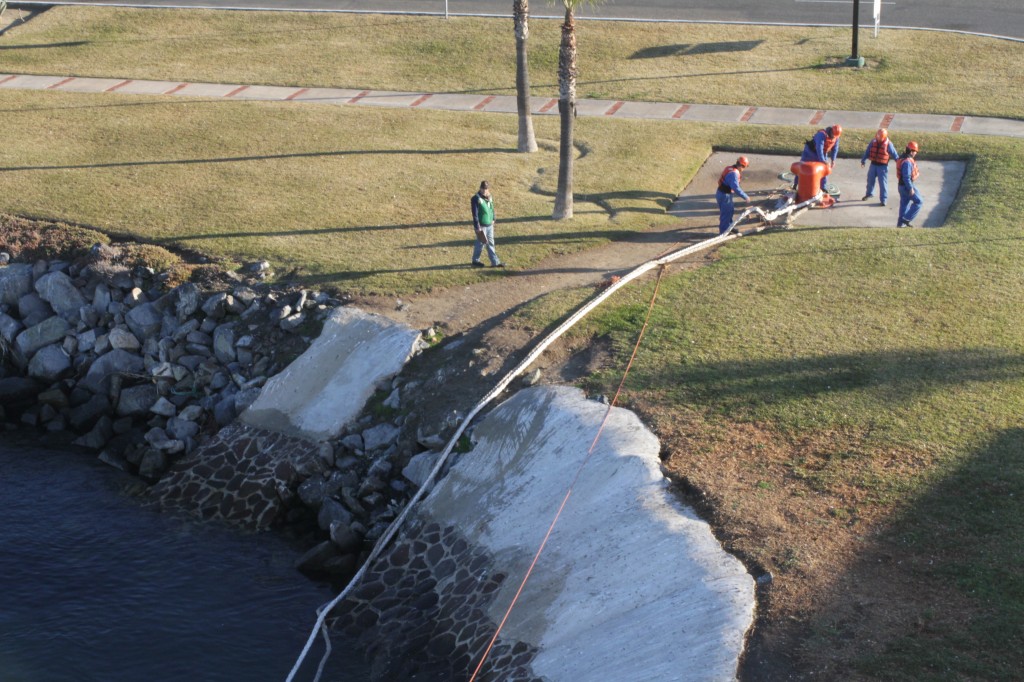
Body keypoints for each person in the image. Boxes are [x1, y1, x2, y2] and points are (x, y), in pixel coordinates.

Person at [860, 128, 900, 206]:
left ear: (884, 137)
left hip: (883, 167)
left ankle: (883, 200)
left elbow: (895, 155)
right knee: (870, 180)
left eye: (880, 137)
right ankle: (869, 194)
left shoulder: (889, 144)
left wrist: (899, 164)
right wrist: (863, 160)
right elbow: (868, 151)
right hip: (873, 165)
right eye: (877, 137)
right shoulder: (873, 141)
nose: (878, 139)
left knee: (883, 184)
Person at [800, 124, 842, 194]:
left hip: (823, 152)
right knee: (802, 166)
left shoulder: (836, 137)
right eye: (833, 135)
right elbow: (819, 148)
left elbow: (835, 149)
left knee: (825, 169)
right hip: (810, 151)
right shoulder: (821, 135)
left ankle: (823, 187)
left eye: (835, 136)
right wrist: (822, 160)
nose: (834, 137)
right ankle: (796, 184)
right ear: (831, 131)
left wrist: (833, 160)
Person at [470, 180, 503, 267]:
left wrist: (493, 218)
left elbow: (492, 208)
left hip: (489, 225)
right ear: (480, 188)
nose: (484, 191)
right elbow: (475, 214)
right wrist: (477, 227)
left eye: (486, 189)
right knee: (480, 244)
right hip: (481, 226)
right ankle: (475, 261)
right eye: (483, 189)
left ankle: (495, 262)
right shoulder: (475, 199)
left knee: (491, 243)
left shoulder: (489, 197)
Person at [716, 156, 751, 235]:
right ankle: (723, 233)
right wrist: (745, 197)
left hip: (722, 193)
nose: (744, 169)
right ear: (741, 165)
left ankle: (730, 227)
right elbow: (735, 188)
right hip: (725, 195)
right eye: (744, 167)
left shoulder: (729, 168)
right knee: (725, 214)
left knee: (730, 211)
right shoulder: (734, 174)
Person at [896, 141, 923, 228]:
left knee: (904, 204)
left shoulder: (902, 158)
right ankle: (906, 219)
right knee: (919, 201)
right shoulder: (907, 162)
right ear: (911, 151)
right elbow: (906, 177)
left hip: (901, 186)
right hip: (906, 186)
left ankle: (901, 225)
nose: (916, 153)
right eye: (915, 151)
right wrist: (910, 188)